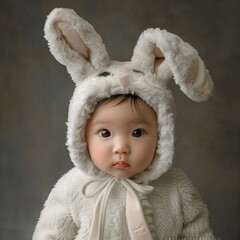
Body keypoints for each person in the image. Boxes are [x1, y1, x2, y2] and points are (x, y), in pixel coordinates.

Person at [33, 8, 215, 240]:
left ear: (162, 135)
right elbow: (49, 234)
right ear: (82, 135)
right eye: (105, 132)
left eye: (137, 132)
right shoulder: (73, 188)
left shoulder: (177, 188)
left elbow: (199, 234)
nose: (121, 147)